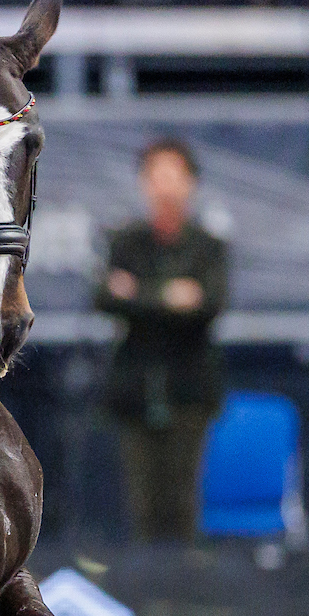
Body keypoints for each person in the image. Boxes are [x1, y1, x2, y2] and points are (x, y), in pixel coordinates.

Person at [95, 136, 230, 542]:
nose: (165, 185)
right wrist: (170, 296)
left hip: (190, 390)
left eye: (174, 175)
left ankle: (183, 598)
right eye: (156, 176)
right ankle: (145, 599)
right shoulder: (125, 241)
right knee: (143, 507)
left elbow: (208, 305)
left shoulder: (208, 247)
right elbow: (104, 297)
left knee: (182, 503)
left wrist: (137, 294)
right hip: (134, 390)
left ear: (191, 182)